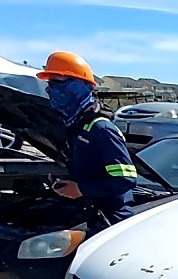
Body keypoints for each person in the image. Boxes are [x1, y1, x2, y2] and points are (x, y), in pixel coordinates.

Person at [36, 51, 136, 228]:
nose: (49, 90)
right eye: (49, 84)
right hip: (86, 213)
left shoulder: (101, 129)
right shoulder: (75, 128)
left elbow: (125, 179)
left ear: (77, 86)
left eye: (56, 83)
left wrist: (81, 189)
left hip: (110, 220)